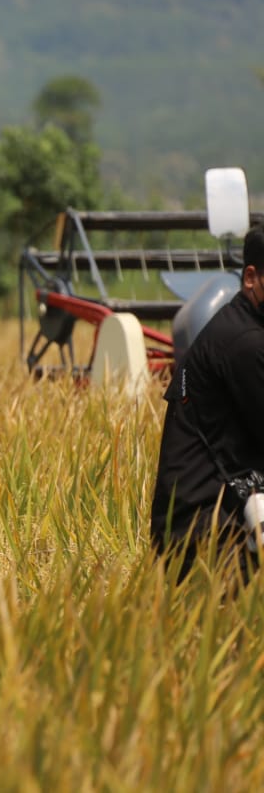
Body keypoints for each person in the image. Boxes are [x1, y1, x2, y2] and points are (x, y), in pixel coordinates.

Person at [151, 225, 264, 582]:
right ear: (251, 277)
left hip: (212, 519)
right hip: (203, 538)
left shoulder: (241, 326)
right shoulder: (244, 343)